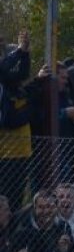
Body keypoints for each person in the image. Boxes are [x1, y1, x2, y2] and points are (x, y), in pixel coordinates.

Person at [0, 31, 33, 208]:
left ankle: (10, 233)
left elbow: (22, 73)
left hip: (18, 154)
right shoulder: (4, 81)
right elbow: (4, 69)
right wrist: (20, 51)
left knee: (15, 200)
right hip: (5, 155)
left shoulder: (13, 88)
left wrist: (25, 52)